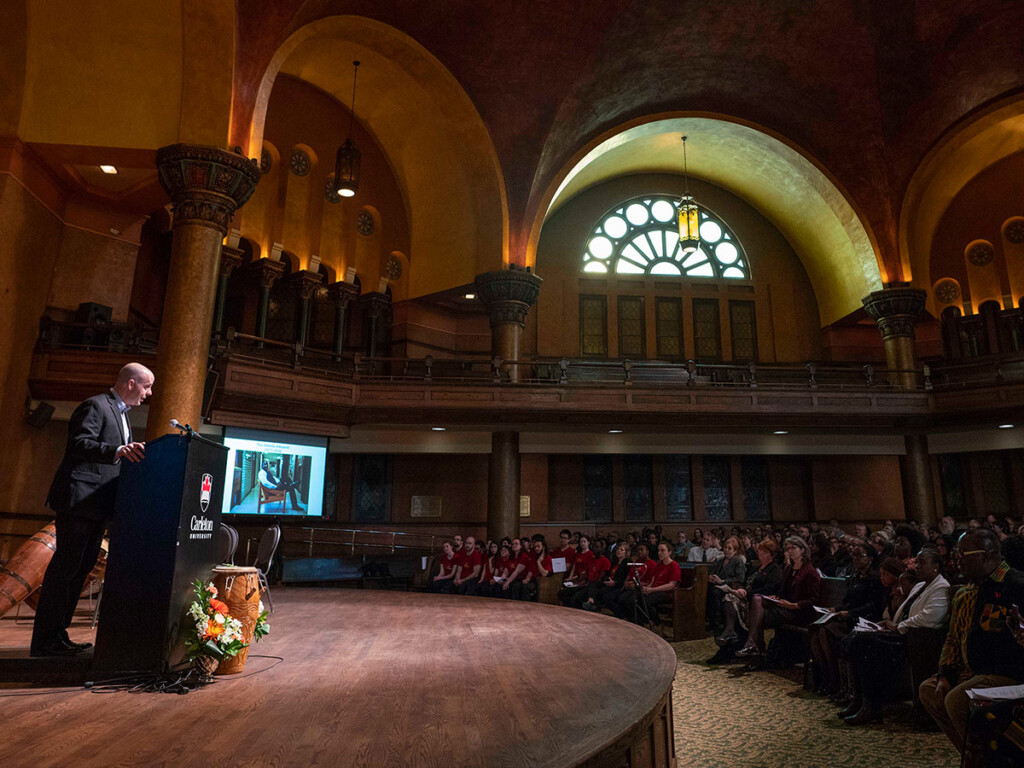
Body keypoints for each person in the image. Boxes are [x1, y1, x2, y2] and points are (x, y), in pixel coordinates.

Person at [31, 363, 154, 657]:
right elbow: (78, 444)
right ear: (131, 383)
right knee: (65, 570)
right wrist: (117, 451)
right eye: (147, 387)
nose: (149, 394)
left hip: (98, 506)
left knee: (80, 571)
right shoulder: (96, 406)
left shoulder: (123, 415)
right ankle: (45, 640)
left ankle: (58, 636)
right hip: (79, 502)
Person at [918, 529, 1024, 754]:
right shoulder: (966, 593)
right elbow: (953, 638)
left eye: (963, 555)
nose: (957, 561)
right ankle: (972, 755)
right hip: (975, 671)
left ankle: (982, 756)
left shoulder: (1015, 585)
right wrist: (945, 672)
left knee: (956, 700)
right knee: (930, 690)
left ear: (986, 556)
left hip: (1008, 674)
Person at [841, 548, 950, 724]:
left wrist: (898, 626)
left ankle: (871, 707)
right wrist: (889, 623)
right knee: (856, 638)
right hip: (903, 633)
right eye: (916, 561)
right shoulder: (922, 585)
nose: (916, 566)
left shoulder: (941, 587)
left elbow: (930, 616)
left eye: (922, 562)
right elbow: (903, 610)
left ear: (936, 566)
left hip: (916, 640)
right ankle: (859, 700)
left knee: (864, 643)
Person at [736, 536, 821, 658]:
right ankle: (753, 646)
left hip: (798, 611)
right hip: (784, 606)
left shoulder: (809, 571)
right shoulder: (789, 569)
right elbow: (783, 591)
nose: (790, 551)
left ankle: (755, 649)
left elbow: (813, 600)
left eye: (793, 548)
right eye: (788, 548)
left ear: (802, 550)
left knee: (757, 615)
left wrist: (793, 605)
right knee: (756, 599)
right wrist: (776, 597)